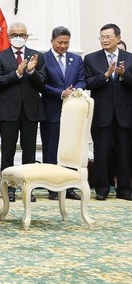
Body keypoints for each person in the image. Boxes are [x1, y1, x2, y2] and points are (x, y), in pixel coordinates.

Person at [0, 22, 46, 202]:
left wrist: (31, 72)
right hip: (8, 111)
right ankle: (9, 189)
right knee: (7, 152)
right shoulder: (0, 57)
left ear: (27, 36)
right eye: (14, 34)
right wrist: (17, 73)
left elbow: (43, 83)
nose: (18, 37)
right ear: (8, 37)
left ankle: (28, 189)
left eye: (21, 34)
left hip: (31, 111)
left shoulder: (37, 56)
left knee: (29, 152)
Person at [84, 23, 132, 201]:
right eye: (102, 37)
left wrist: (123, 75)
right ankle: (102, 189)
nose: (104, 40)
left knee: (124, 153)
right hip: (101, 114)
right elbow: (88, 83)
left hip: (124, 114)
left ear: (118, 38)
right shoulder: (91, 59)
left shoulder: (129, 58)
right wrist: (105, 75)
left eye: (108, 37)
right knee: (101, 153)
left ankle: (125, 190)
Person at [40, 26, 86, 200]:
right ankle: (52, 188)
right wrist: (60, 93)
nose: (63, 46)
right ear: (52, 41)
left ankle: (69, 188)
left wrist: (75, 90)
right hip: (51, 110)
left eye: (66, 43)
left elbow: (82, 80)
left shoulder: (76, 59)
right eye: (60, 42)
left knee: (70, 150)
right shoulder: (43, 58)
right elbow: (41, 83)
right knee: (51, 149)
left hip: (72, 113)